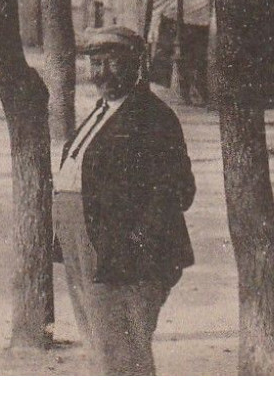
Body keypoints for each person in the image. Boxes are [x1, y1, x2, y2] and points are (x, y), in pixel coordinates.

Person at [53, 24, 195, 376]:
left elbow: (178, 191)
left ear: (136, 64)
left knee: (123, 347)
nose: (102, 73)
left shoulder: (152, 117)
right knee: (100, 341)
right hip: (83, 240)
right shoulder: (101, 111)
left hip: (123, 253)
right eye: (95, 63)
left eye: (113, 62)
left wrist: (132, 242)